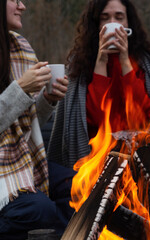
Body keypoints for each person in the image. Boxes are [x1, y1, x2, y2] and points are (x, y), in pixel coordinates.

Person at [47, 0, 150, 169]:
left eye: (119, 17)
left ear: (128, 24)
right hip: (93, 159)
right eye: (105, 18)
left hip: (138, 156)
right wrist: (101, 61)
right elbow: (94, 121)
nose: (113, 24)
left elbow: (145, 116)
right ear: (97, 25)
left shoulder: (145, 62)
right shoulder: (80, 66)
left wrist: (125, 61)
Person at [0, 0, 73, 239]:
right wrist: (21, 89)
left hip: (20, 158)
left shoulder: (20, 47)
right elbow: (16, 100)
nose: (23, 6)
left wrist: (48, 99)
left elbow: (29, 125)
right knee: (37, 209)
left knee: (80, 185)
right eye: (15, 0)